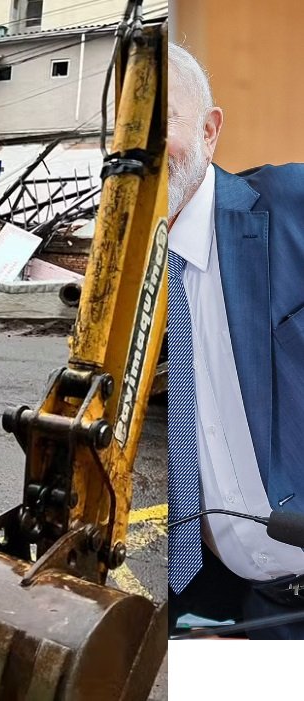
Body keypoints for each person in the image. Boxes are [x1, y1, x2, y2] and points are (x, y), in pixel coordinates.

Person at [167, 42, 304, 639]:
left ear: (210, 130)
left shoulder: (290, 208)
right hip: (221, 600)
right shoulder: (123, 283)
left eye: (159, 120)